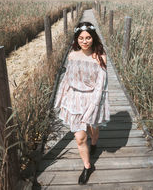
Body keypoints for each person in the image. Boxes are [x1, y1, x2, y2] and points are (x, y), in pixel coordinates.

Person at [55, 21, 110, 185]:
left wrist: (94, 106)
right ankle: (87, 166)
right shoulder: (72, 55)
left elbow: (101, 85)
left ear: (93, 38)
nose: (84, 41)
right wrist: (61, 98)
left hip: (91, 99)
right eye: (81, 38)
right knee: (80, 137)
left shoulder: (100, 57)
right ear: (76, 39)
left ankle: (94, 143)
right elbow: (67, 79)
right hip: (74, 99)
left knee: (93, 130)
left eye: (88, 38)